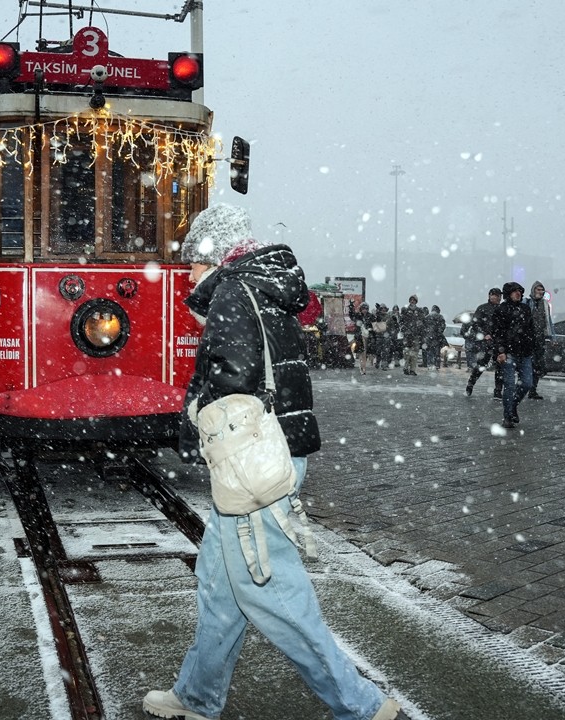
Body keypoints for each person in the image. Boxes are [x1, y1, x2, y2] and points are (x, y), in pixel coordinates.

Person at [148, 203, 404, 720]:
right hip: (275, 451)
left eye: (194, 261)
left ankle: (360, 706)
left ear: (213, 255)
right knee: (221, 586)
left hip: (255, 465)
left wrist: (194, 413)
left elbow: (232, 376)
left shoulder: (232, 294)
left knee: (270, 591)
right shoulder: (265, 289)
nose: (190, 274)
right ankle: (197, 696)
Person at [491, 282, 537, 429]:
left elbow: (531, 330)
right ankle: (507, 416)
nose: (518, 294)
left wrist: (532, 346)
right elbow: (497, 333)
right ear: (508, 294)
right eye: (514, 291)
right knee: (509, 385)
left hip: (525, 352)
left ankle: (513, 406)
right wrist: (501, 351)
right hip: (508, 352)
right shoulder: (501, 310)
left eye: (519, 291)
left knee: (527, 383)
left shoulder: (525, 309)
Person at [464, 288, 504, 399]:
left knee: (500, 366)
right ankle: (470, 384)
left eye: (499, 296)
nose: (497, 298)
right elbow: (476, 324)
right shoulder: (482, 308)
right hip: (484, 342)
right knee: (482, 364)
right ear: (490, 296)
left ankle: (498, 390)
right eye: (495, 295)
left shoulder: (502, 309)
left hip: (498, 342)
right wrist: (484, 334)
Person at [523, 281, 554, 399]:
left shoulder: (544, 304)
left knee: (537, 365)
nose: (540, 292)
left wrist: (551, 335)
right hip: (527, 339)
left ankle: (533, 390)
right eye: (538, 290)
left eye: (542, 290)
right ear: (533, 290)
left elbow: (548, 321)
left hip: (539, 338)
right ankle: (523, 387)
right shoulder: (526, 302)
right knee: (527, 364)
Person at [399, 295, 426, 376]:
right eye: (411, 300)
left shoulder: (419, 311)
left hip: (416, 335)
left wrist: (419, 330)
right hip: (407, 335)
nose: (412, 301)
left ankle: (413, 369)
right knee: (407, 353)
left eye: (414, 300)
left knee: (414, 354)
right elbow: (401, 321)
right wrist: (404, 329)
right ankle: (405, 368)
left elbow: (422, 322)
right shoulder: (405, 310)